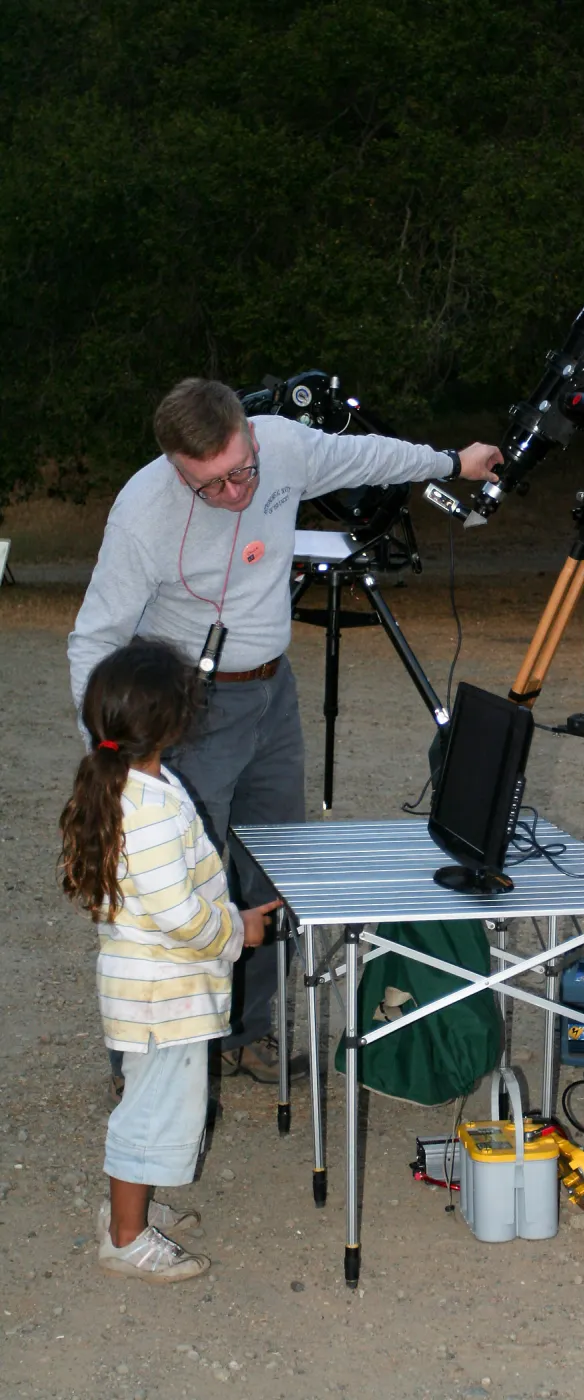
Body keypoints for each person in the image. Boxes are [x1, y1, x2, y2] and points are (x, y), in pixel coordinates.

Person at [68, 378, 503, 1089]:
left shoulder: (284, 444)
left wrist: (450, 463)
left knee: (272, 870)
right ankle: (148, 1063)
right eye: (208, 485)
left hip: (270, 693)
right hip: (185, 712)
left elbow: (366, 457)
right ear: (176, 465)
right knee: (177, 880)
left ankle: (248, 1032)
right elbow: (94, 639)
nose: (234, 493)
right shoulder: (142, 512)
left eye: (242, 473)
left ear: (250, 434)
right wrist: (109, 756)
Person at [59, 639, 282, 1282]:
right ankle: (126, 1238)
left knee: (159, 1106)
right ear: (172, 724)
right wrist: (237, 931)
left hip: (161, 989)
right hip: (166, 997)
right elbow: (181, 915)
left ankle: (129, 1213)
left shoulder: (137, 782)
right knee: (154, 1112)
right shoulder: (147, 808)